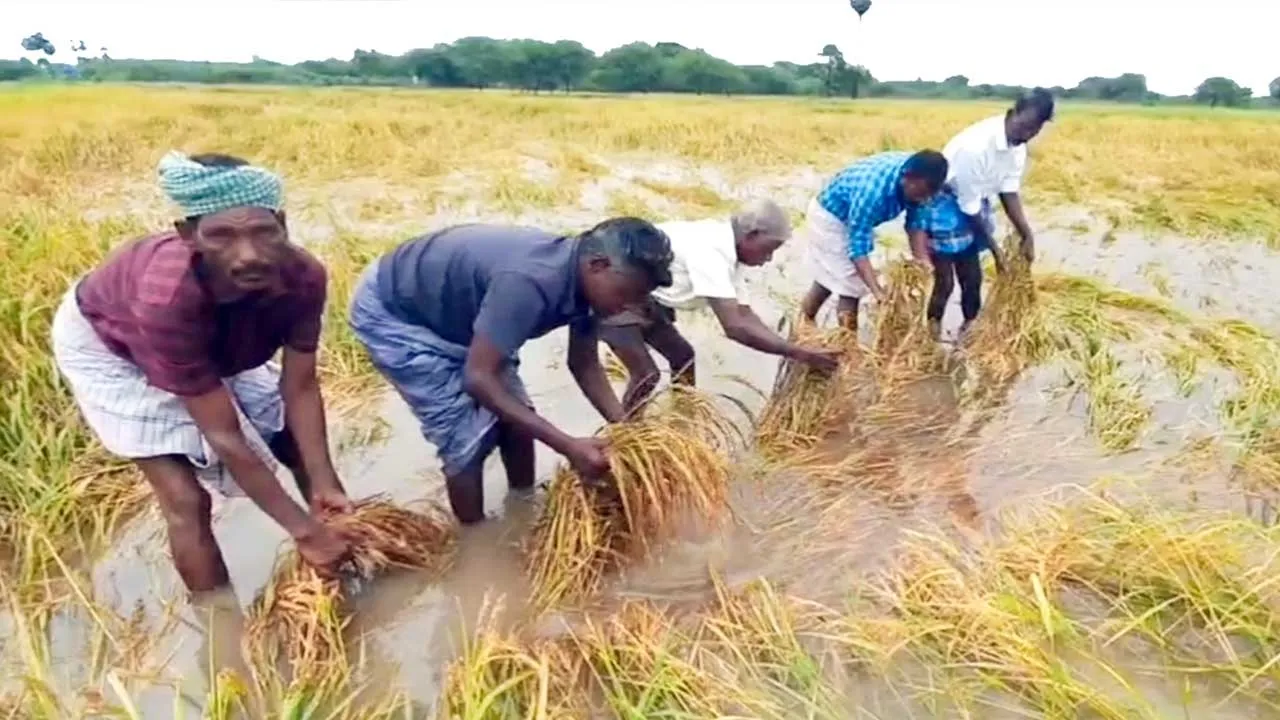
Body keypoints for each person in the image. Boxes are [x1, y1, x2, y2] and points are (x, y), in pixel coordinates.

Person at [51, 151, 355, 594]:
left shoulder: (303, 276)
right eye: (222, 236)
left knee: (296, 444)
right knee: (185, 500)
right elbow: (225, 436)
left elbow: (301, 385)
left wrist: (324, 479)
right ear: (188, 235)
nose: (249, 254)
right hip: (115, 349)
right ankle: (220, 625)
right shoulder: (165, 300)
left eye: (263, 232)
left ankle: (345, 556)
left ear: (283, 225)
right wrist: (303, 533)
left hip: (219, 336)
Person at [348, 220, 674, 525]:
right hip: (399, 312)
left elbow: (584, 364)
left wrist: (625, 433)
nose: (631, 306)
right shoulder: (530, 283)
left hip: (462, 316)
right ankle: (476, 545)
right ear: (598, 265)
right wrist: (569, 446)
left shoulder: (590, 288)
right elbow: (478, 379)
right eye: (627, 294)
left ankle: (521, 507)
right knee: (466, 440)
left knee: (518, 420)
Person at [596, 199, 842, 415]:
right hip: (610, 294)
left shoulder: (731, 252)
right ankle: (624, 438)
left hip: (648, 299)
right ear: (752, 235)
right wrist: (798, 353)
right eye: (768, 250)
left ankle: (682, 416)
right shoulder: (711, 252)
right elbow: (735, 327)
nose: (768, 259)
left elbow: (744, 314)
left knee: (683, 358)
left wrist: (795, 348)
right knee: (646, 375)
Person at [799, 150, 950, 330]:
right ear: (908, 179)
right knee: (851, 286)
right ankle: (848, 344)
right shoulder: (872, 192)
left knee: (832, 275)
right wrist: (877, 292)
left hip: (851, 216)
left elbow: (916, 224)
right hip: (831, 219)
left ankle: (804, 323)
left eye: (929, 195)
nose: (924, 199)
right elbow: (858, 249)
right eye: (921, 193)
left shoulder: (922, 178)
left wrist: (922, 261)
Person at [941, 88, 1056, 269]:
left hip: (974, 201)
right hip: (945, 204)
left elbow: (1008, 190)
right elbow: (969, 206)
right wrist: (997, 252)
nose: (1027, 135)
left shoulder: (1017, 143)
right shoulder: (975, 148)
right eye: (1024, 127)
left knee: (970, 277)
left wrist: (1026, 234)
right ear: (1012, 113)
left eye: (1034, 129)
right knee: (946, 279)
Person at [905, 187, 984, 341]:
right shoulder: (924, 196)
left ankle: (970, 322)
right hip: (937, 245)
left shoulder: (965, 188)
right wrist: (922, 258)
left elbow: (980, 215)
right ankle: (933, 326)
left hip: (966, 242)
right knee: (944, 285)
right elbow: (916, 227)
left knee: (972, 281)